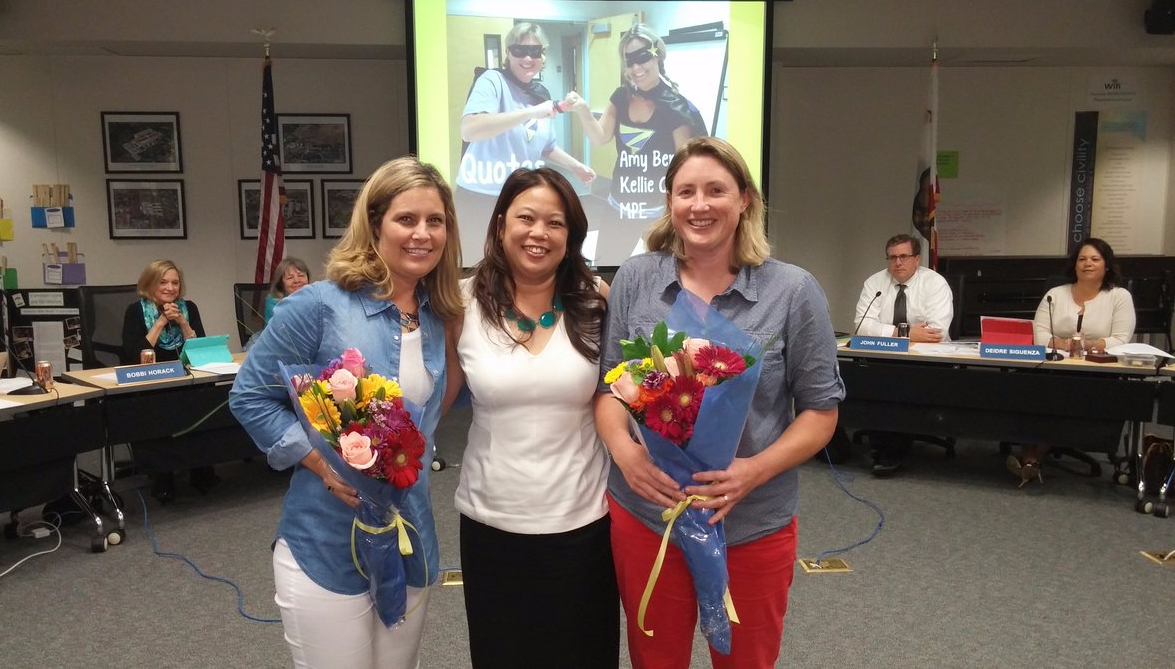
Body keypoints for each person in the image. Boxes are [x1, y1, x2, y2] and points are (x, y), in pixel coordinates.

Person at [594, 137, 844, 667]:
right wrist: (627, 454)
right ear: (669, 202)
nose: (699, 205)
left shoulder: (792, 291)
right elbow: (608, 389)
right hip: (650, 515)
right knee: (654, 659)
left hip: (752, 521)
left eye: (716, 190)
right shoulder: (636, 279)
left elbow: (821, 413)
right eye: (686, 192)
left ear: (744, 199)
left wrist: (753, 471)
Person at [229, 156, 463, 669]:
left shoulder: (442, 315)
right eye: (406, 219)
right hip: (326, 539)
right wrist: (320, 463)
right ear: (375, 224)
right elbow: (249, 396)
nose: (422, 234)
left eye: (435, 221)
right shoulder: (319, 305)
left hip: (410, 534)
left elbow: (433, 412)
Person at [448, 167, 617, 667]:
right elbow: (432, 400)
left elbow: (623, 397)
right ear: (501, 224)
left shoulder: (596, 300)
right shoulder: (460, 304)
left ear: (571, 235)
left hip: (583, 523)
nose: (538, 233)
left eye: (555, 222)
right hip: (492, 523)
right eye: (526, 218)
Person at [456, 22, 595, 256]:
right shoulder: (492, 81)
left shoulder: (540, 94)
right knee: (476, 264)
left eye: (534, 51)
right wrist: (530, 112)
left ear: (543, 55)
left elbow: (546, 147)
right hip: (480, 198)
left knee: (516, 265)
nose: (527, 58)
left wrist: (576, 167)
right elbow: (470, 129)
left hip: (520, 201)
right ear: (508, 52)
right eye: (520, 50)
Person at [1009, 237, 1136, 484]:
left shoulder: (1119, 297)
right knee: (1025, 384)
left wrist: (1087, 345)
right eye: (1082, 259)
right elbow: (1039, 335)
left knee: (1060, 392)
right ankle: (1030, 459)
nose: (1087, 264)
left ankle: (1032, 459)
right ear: (1074, 265)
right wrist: (1064, 344)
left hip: (1096, 370)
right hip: (1052, 364)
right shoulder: (1055, 295)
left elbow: (1121, 339)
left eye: (1095, 259)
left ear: (1106, 265)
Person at [566, 24, 708, 226]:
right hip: (619, 207)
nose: (636, 68)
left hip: (659, 213)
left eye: (642, 57)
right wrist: (583, 110)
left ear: (658, 56)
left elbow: (687, 166)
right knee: (611, 249)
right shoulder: (621, 97)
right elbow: (600, 137)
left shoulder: (675, 108)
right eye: (630, 61)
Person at [853, 233, 954, 476]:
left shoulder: (935, 283)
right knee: (869, 379)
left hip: (927, 360)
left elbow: (936, 332)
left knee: (898, 384)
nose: (897, 263)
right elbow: (861, 326)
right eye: (892, 257)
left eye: (904, 257)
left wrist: (885, 332)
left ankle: (888, 451)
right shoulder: (874, 283)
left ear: (916, 259)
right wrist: (903, 333)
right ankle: (884, 446)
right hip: (884, 357)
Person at [121, 259, 214, 501]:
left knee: (207, 397)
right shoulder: (135, 311)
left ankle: (200, 466)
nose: (170, 288)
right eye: (163, 282)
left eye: (175, 282)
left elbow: (200, 350)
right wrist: (161, 322)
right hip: (153, 384)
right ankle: (163, 474)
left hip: (185, 381)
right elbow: (136, 355)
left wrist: (182, 322)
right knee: (163, 409)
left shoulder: (189, 308)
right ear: (150, 284)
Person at [264, 256, 311, 323]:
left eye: (301, 275)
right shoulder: (274, 303)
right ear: (281, 283)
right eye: (290, 278)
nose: (297, 280)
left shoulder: (316, 298)